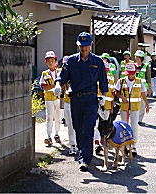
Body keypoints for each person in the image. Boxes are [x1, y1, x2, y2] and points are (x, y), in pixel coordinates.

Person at [54, 32, 108, 172]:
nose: (83, 49)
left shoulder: (97, 61)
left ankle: (85, 159)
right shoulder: (70, 61)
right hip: (76, 99)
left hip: (91, 99)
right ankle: (81, 152)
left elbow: (103, 81)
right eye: (81, 46)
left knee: (88, 128)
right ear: (78, 46)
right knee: (78, 128)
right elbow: (63, 76)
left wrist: (104, 98)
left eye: (86, 46)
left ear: (91, 45)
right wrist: (58, 85)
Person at [115, 63, 149, 156]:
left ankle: (133, 146)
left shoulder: (139, 81)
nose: (130, 75)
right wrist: (122, 97)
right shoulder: (121, 81)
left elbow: (143, 93)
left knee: (134, 126)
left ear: (135, 72)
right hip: (124, 108)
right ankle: (124, 145)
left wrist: (147, 104)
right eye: (128, 73)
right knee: (124, 126)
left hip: (135, 107)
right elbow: (116, 92)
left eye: (131, 73)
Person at [39, 51, 62, 146]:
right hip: (49, 98)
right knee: (49, 117)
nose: (50, 62)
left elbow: (63, 84)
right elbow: (43, 87)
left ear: (55, 61)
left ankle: (56, 134)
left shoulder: (60, 72)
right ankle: (48, 136)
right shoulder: (44, 73)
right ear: (46, 62)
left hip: (59, 98)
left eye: (52, 60)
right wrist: (54, 86)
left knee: (58, 118)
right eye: (48, 61)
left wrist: (57, 87)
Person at [61, 56, 77, 155]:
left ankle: (80, 143)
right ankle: (73, 145)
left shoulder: (78, 72)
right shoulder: (62, 74)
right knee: (70, 124)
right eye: (65, 64)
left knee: (80, 124)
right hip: (68, 101)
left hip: (79, 100)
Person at [134, 50, 152, 127]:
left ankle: (139, 120)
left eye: (137, 57)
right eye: (136, 57)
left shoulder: (146, 66)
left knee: (142, 104)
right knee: (134, 103)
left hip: (143, 87)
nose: (136, 58)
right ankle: (134, 118)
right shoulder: (133, 65)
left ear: (141, 58)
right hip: (134, 87)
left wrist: (149, 87)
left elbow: (148, 77)